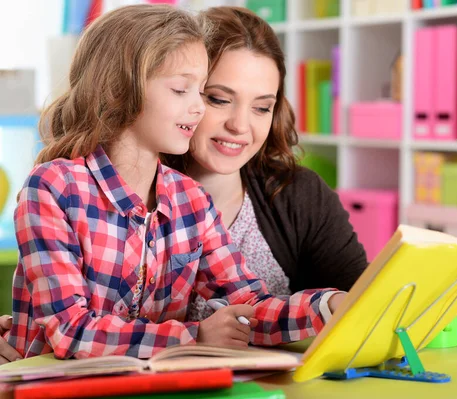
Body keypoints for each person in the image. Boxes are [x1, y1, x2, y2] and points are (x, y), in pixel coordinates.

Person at [3, 4, 345, 361]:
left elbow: (247, 305)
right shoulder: (54, 188)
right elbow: (70, 331)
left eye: (202, 92)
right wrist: (195, 337)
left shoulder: (191, 200)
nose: (198, 108)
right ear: (118, 90)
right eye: (182, 90)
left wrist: (327, 306)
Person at [164, 6, 368, 323]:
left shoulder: (301, 195)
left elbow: (360, 304)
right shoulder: (128, 193)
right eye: (218, 99)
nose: (240, 125)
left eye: (261, 107)